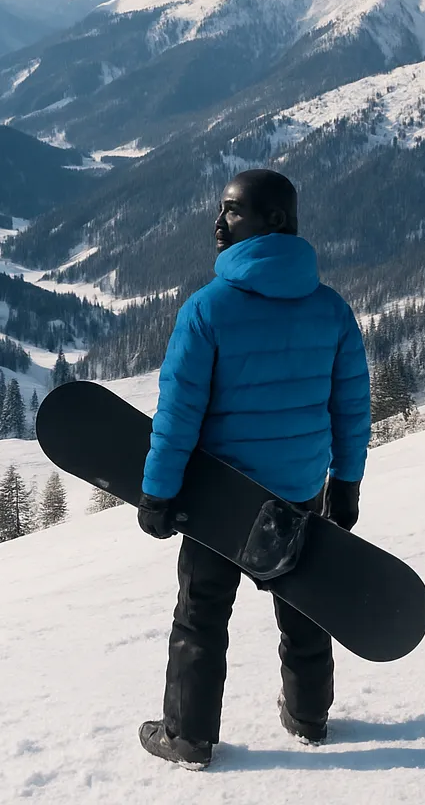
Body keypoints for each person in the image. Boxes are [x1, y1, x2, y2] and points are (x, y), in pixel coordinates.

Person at [136, 169, 370, 770]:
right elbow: (350, 405)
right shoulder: (331, 310)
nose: (218, 223)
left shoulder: (208, 309)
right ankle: (309, 717)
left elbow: (178, 414)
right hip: (298, 494)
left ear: (274, 220)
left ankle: (188, 737)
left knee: (201, 615)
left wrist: (158, 493)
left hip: (220, 501)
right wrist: (345, 482)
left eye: (232, 211)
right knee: (306, 607)